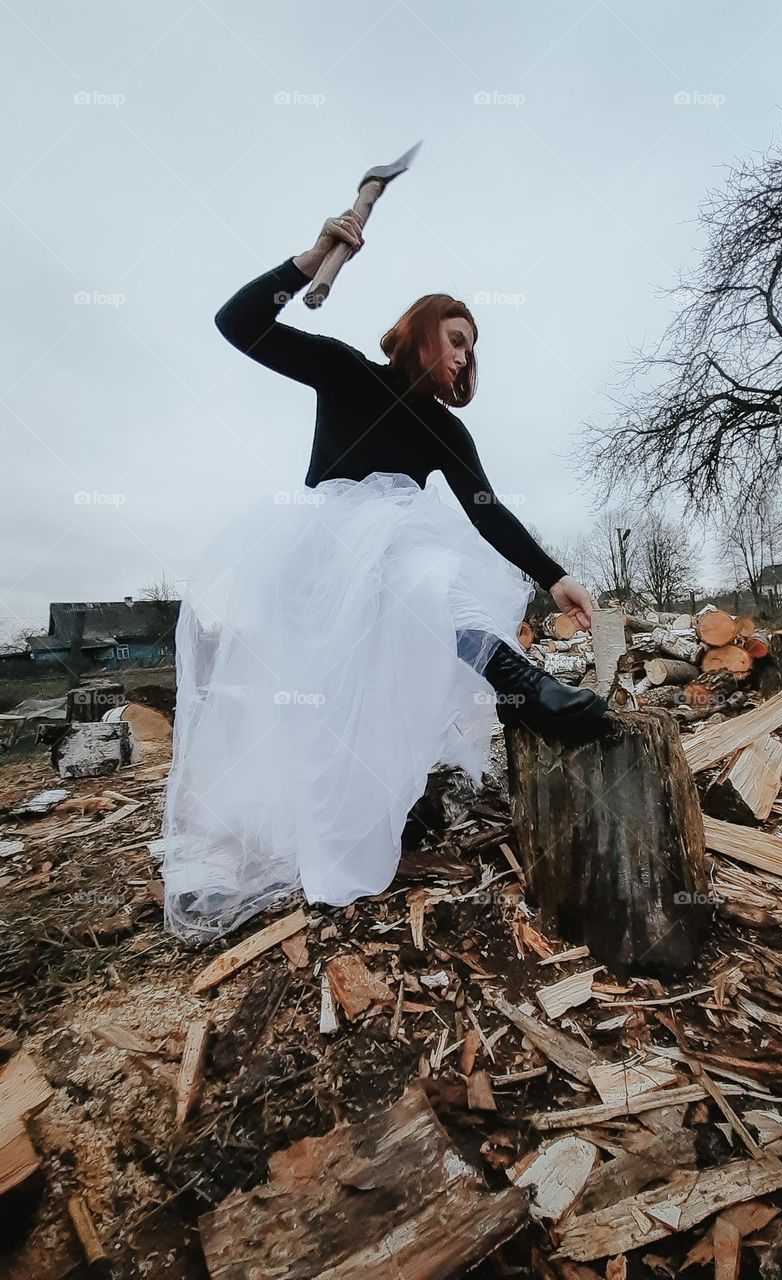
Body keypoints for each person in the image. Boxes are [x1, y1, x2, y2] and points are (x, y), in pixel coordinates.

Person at [160, 211, 609, 944]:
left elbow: (486, 511)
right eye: (457, 338)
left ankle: (513, 687)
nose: (465, 357)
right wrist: (309, 260)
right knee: (330, 706)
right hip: (320, 567)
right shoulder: (344, 371)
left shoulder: (445, 430)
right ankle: (284, 843)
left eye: (472, 348)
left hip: (394, 569)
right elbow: (237, 324)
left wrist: (554, 576)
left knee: (420, 580)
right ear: (420, 330)